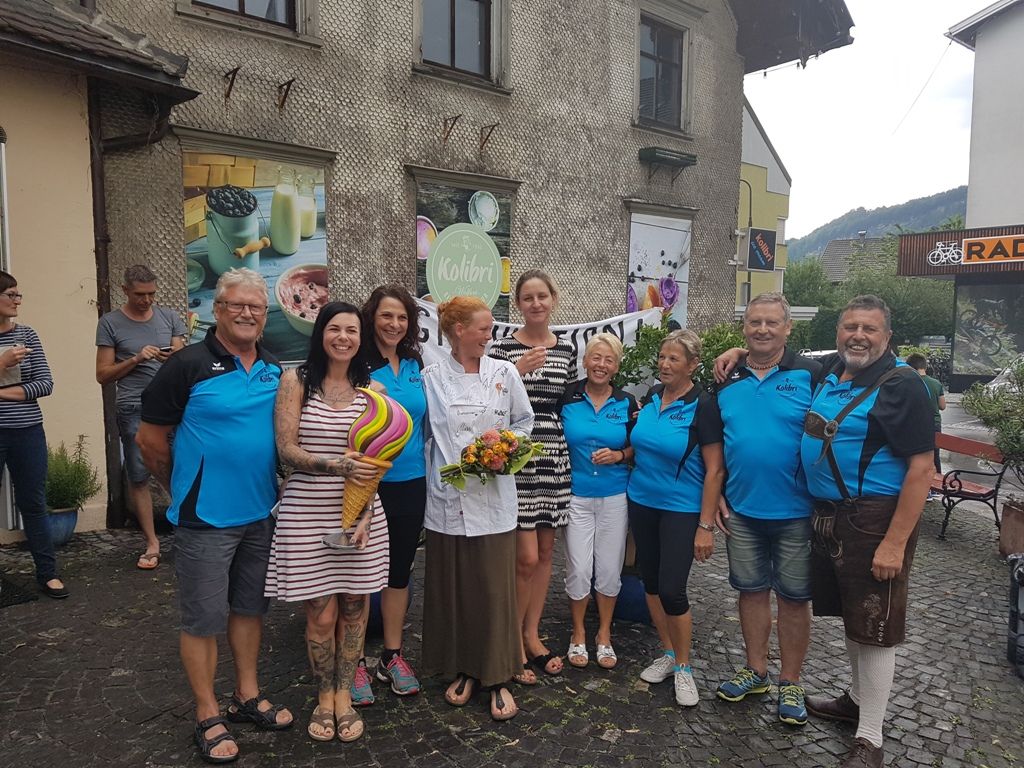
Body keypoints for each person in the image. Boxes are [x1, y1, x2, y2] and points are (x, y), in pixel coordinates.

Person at [137, 268, 292, 765]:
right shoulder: (186, 365)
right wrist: (177, 487)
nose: (247, 314)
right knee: (203, 618)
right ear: (218, 310)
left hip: (260, 511)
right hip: (205, 516)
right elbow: (149, 441)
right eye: (237, 305)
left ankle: (246, 695)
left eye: (256, 307)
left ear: (265, 315)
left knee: (249, 609)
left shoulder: (272, 366)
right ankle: (207, 712)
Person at [799, 296, 934, 768]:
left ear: (887, 337)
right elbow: (784, 357)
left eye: (869, 329)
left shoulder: (903, 385)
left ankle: (870, 738)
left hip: (874, 520)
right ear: (838, 333)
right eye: (850, 327)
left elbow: (922, 469)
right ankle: (855, 702)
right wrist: (737, 353)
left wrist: (894, 543)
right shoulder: (833, 370)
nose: (858, 336)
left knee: (876, 626)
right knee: (854, 618)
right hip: (831, 516)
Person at [265, 301, 390, 743]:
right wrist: (334, 466)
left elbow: (377, 461)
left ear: (361, 339)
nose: (343, 337)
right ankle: (323, 696)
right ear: (320, 333)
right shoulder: (295, 381)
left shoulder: (373, 390)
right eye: (335, 328)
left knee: (355, 607)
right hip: (307, 511)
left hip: (358, 514)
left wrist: (366, 514)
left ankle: (344, 695)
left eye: (352, 331)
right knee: (320, 612)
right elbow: (286, 448)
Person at [420, 296, 534, 721]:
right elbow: (423, 434)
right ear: (458, 330)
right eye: (484, 328)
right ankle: (465, 669)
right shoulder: (431, 378)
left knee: (492, 589)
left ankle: (498, 675)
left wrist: (503, 449)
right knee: (457, 590)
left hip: (493, 499)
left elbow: (524, 422)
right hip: (448, 501)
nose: (490, 335)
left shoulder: (504, 373)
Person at [710, 292, 820, 726]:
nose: (762, 329)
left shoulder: (812, 373)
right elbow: (714, 447)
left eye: (772, 322)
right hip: (742, 511)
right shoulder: (726, 380)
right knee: (751, 592)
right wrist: (717, 495)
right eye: (754, 322)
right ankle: (756, 671)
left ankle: (791, 680)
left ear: (788, 328)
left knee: (794, 598)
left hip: (797, 511)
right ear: (744, 328)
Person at [627, 329, 724, 707]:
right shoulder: (653, 395)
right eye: (662, 357)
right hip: (641, 501)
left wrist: (705, 526)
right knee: (650, 583)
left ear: (693, 365)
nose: (665, 364)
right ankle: (668, 653)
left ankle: (684, 667)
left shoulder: (704, 405)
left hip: (681, 508)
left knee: (672, 589)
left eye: (674, 359)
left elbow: (715, 470)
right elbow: (640, 444)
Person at [489, 270, 575, 681]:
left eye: (542, 296)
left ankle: (531, 634)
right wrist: (516, 371)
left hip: (553, 453)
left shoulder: (568, 350)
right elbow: (488, 401)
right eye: (528, 297)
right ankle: (511, 639)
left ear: (553, 299)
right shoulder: (502, 348)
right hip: (517, 452)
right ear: (518, 304)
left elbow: (570, 403)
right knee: (523, 557)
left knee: (544, 553)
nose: (536, 303)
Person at [349, 285, 426, 704]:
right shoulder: (355, 362)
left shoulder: (414, 362)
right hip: (367, 483)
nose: (394, 324)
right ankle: (355, 660)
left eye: (401, 317)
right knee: (360, 574)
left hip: (412, 481)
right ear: (371, 318)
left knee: (399, 571)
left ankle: (391, 656)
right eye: (386, 316)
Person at [96, 264, 185, 570]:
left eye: (151, 294)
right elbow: (102, 375)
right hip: (134, 407)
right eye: (139, 295)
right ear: (125, 291)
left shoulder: (169, 317)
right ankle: (152, 542)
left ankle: (187, 534)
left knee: (181, 469)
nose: (147, 300)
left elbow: (182, 357)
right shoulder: (110, 323)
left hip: (173, 407)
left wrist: (174, 355)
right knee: (139, 475)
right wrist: (136, 358)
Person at [557, 333, 636, 670]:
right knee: (578, 567)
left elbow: (637, 445)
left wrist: (619, 455)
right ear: (585, 361)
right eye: (596, 358)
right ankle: (578, 632)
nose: (601, 365)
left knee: (608, 568)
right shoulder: (567, 397)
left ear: (616, 367)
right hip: (575, 495)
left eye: (609, 360)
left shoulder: (627, 402)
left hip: (614, 495)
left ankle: (604, 633)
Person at [0, 271, 65, 599]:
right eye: (11, 294)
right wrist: (2, 363)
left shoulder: (27, 334)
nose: (18, 301)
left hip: (27, 430)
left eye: (18, 294)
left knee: (34, 502)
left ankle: (48, 573)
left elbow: (44, 384)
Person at [905, 352, 945, 496]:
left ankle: (921, 489)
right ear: (925, 366)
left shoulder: (908, 383)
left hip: (915, 423)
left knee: (917, 456)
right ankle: (936, 488)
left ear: (910, 367)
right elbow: (942, 406)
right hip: (934, 424)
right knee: (935, 455)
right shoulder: (936, 383)